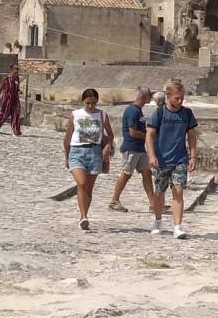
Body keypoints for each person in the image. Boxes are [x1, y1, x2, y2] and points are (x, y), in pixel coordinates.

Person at [146, 79, 198, 239]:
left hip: (180, 159)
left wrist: (193, 156)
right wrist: (152, 155)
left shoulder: (187, 114)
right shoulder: (159, 113)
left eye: (182, 98)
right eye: (177, 98)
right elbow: (150, 134)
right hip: (161, 159)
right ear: (168, 97)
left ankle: (177, 226)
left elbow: (192, 135)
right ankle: (158, 221)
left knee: (178, 190)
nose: (180, 101)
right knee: (159, 192)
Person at [64, 87, 114, 231]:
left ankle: (84, 216)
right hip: (77, 151)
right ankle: (83, 216)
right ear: (83, 101)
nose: (91, 106)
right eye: (88, 103)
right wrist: (66, 156)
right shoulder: (75, 115)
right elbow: (68, 136)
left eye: (93, 103)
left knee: (89, 187)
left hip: (95, 152)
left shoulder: (102, 115)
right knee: (81, 183)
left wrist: (107, 147)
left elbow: (110, 134)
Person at [108, 87, 156, 215]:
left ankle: (153, 203)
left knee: (147, 173)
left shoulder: (138, 111)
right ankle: (114, 200)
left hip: (139, 148)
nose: (151, 97)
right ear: (144, 96)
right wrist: (148, 136)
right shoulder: (132, 111)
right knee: (126, 174)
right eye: (149, 95)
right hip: (131, 148)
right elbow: (132, 132)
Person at [0, 65, 23, 136]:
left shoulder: (17, 79)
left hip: (15, 98)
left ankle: (16, 131)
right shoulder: (6, 78)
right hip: (7, 99)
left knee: (16, 113)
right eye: (15, 73)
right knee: (4, 114)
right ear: (11, 71)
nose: (16, 74)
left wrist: (19, 91)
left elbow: (17, 88)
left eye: (17, 73)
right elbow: (0, 88)